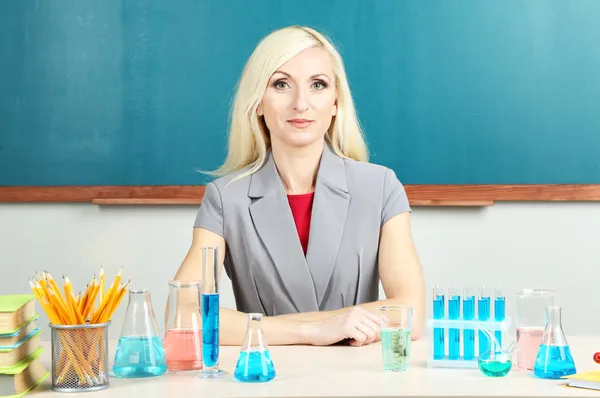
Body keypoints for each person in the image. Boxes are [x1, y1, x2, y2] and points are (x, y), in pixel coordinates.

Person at [173, 25, 425, 347]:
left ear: (336, 103)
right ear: (258, 103)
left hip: (359, 379)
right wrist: (314, 330)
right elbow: (184, 313)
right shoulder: (225, 198)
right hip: (263, 378)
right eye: (281, 84)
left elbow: (411, 314)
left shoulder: (380, 186)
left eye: (318, 85)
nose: (301, 103)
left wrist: (272, 327)